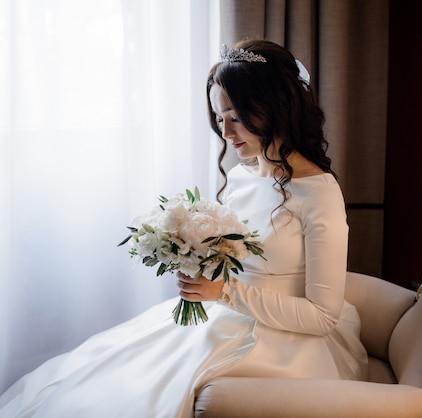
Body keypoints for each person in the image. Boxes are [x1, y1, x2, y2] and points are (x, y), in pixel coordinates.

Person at [0, 39, 367, 417]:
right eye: (218, 117)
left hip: (286, 339)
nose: (225, 132)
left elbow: (323, 317)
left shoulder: (318, 194)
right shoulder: (243, 175)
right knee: (111, 372)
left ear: (272, 109)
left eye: (235, 117)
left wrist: (225, 291)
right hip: (224, 311)